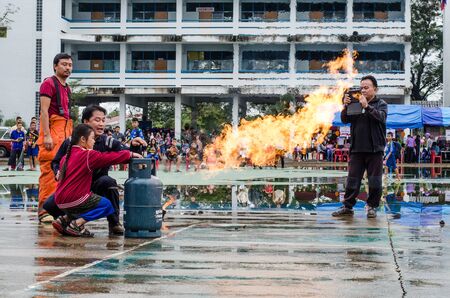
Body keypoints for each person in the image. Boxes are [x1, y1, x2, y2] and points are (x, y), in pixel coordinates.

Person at [44, 105, 136, 235]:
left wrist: (134, 148)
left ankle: (114, 222)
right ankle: (71, 222)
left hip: (96, 185)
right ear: (86, 122)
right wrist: (58, 170)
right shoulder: (71, 143)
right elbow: (56, 161)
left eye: (103, 120)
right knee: (49, 205)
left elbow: (122, 153)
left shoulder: (108, 142)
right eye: (97, 120)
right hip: (75, 187)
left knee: (108, 182)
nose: (101, 124)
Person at [332, 75, 387, 218]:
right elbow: (345, 119)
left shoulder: (381, 104)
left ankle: (372, 206)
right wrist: (345, 106)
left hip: (375, 150)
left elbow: (381, 118)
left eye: (366, 87)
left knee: (375, 181)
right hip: (357, 149)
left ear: (375, 89)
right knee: (352, 179)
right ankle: (348, 206)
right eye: (361, 87)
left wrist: (366, 106)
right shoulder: (355, 103)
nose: (363, 90)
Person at [37, 53, 74, 223]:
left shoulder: (67, 88)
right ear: (55, 66)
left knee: (63, 172)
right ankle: (44, 210)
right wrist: (46, 136)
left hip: (66, 131)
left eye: (70, 65)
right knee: (49, 172)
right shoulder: (48, 83)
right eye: (64, 64)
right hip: (52, 131)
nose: (67, 67)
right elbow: (43, 112)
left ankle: (57, 208)